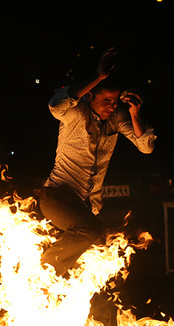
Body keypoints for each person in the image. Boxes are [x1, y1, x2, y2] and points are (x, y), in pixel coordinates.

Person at [39, 48, 157, 277]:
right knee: (90, 229)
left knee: (91, 246)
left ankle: (55, 284)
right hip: (56, 196)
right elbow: (56, 105)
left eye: (114, 101)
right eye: (106, 100)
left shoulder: (116, 118)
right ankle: (44, 268)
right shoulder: (75, 114)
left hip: (86, 206)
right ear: (90, 96)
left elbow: (146, 147)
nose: (111, 106)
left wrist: (135, 111)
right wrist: (99, 76)